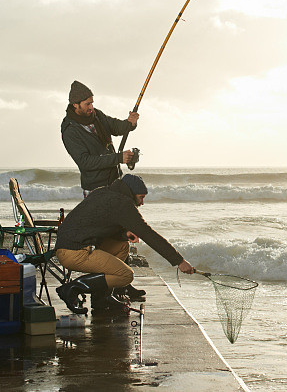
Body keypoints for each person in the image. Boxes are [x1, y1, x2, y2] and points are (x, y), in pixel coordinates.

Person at [54, 174, 196, 315]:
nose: (142, 203)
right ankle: (73, 288)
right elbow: (149, 234)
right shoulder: (122, 203)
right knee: (126, 275)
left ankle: (101, 299)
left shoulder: (103, 192)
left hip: (67, 247)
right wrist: (179, 261)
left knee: (122, 246)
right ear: (132, 193)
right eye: (141, 197)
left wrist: (123, 235)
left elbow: (97, 225)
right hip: (74, 252)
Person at [61, 80, 139, 196]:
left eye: (92, 103)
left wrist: (130, 123)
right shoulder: (70, 130)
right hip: (95, 189)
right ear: (75, 105)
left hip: (115, 182)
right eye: (87, 104)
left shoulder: (96, 115)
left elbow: (116, 127)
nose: (91, 107)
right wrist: (118, 158)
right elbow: (85, 162)